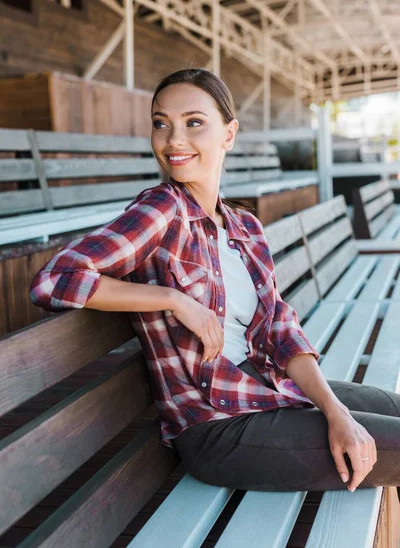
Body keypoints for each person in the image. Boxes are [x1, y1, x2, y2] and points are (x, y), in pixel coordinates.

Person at [30, 68, 400, 498]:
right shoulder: (161, 210)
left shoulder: (245, 226)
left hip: (262, 387)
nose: (174, 140)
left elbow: (280, 331)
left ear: (229, 134)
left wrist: (334, 410)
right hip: (219, 427)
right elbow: (54, 280)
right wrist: (171, 299)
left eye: (194, 123)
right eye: (160, 123)